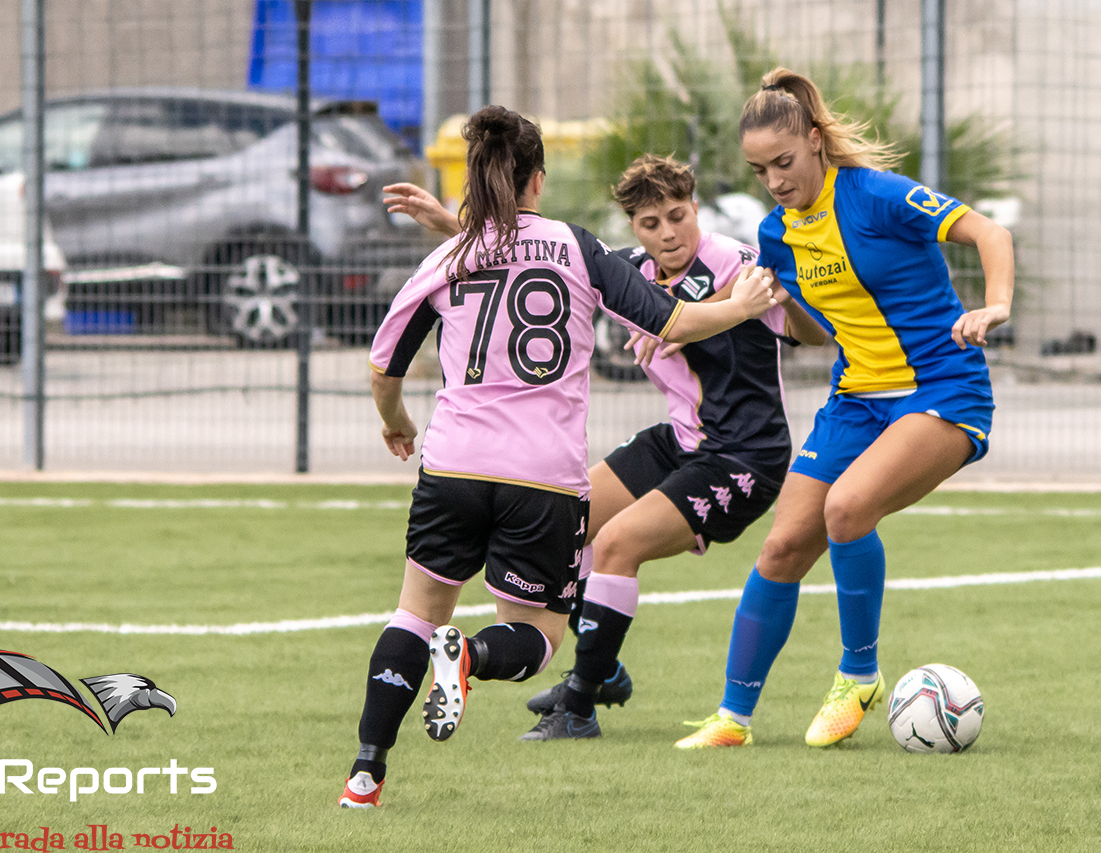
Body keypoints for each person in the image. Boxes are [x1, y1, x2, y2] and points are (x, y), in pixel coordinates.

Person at [339, 106, 778, 808]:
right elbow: (675, 319)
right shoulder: (576, 248)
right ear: (537, 179)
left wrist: (397, 424)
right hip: (541, 476)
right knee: (539, 632)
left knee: (414, 614)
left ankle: (364, 775)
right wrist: (741, 305)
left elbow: (383, 368)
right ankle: (475, 656)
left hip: (451, 465)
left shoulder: (446, 257)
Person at [382, 154, 828, 742]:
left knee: (616, 545)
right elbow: (535, 254)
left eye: (677, 215)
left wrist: (779, 296)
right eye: (650, 223)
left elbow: (813, 333)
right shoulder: (630, 269)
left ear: (695, 208)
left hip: (743, 453)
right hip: (681, 441)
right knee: (573, 521)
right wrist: (452, 226)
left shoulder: (736, 264)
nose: (668, 233)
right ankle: (605, 664)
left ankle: (579, 706)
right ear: (633, 228)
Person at [674, 67, 1013, 750]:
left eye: (784, 161)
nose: (773, 179)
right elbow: (812, 331)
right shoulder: (778, 236)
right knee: (782, 545)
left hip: (943, 389)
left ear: (818, 143)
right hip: (855, 398)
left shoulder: (878, 195)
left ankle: (859, 673)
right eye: (759, 168)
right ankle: (733, 718)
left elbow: (988, 232)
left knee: (846, 510)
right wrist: (780, 304)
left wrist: (996, 302)